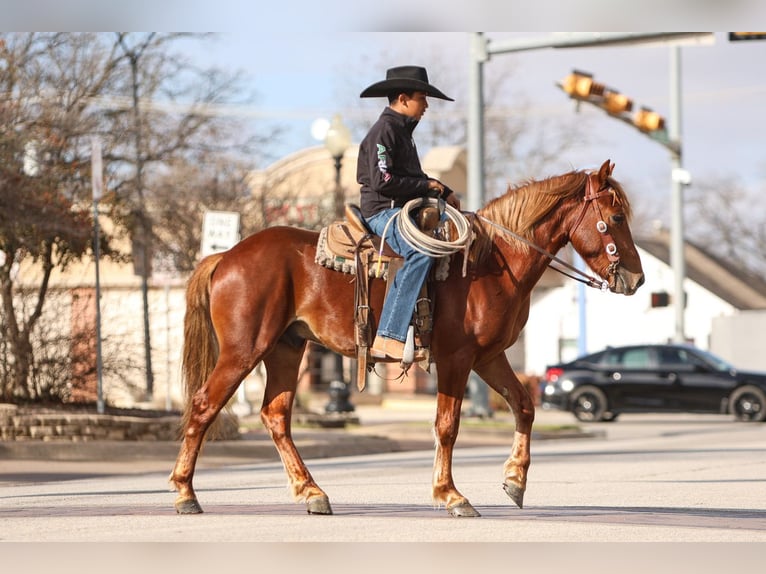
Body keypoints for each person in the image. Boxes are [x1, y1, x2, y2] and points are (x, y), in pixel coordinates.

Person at [356, 65, 461, 361]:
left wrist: (442, 189)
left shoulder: (402, 133)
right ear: (403, 98)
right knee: (421, 251)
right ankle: (389, 335)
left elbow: (411, 176)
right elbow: (383, 180)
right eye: (422, 97)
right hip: (382, 213)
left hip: (400, 210)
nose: (426, 105)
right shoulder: (385, 130)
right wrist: (428, 184)